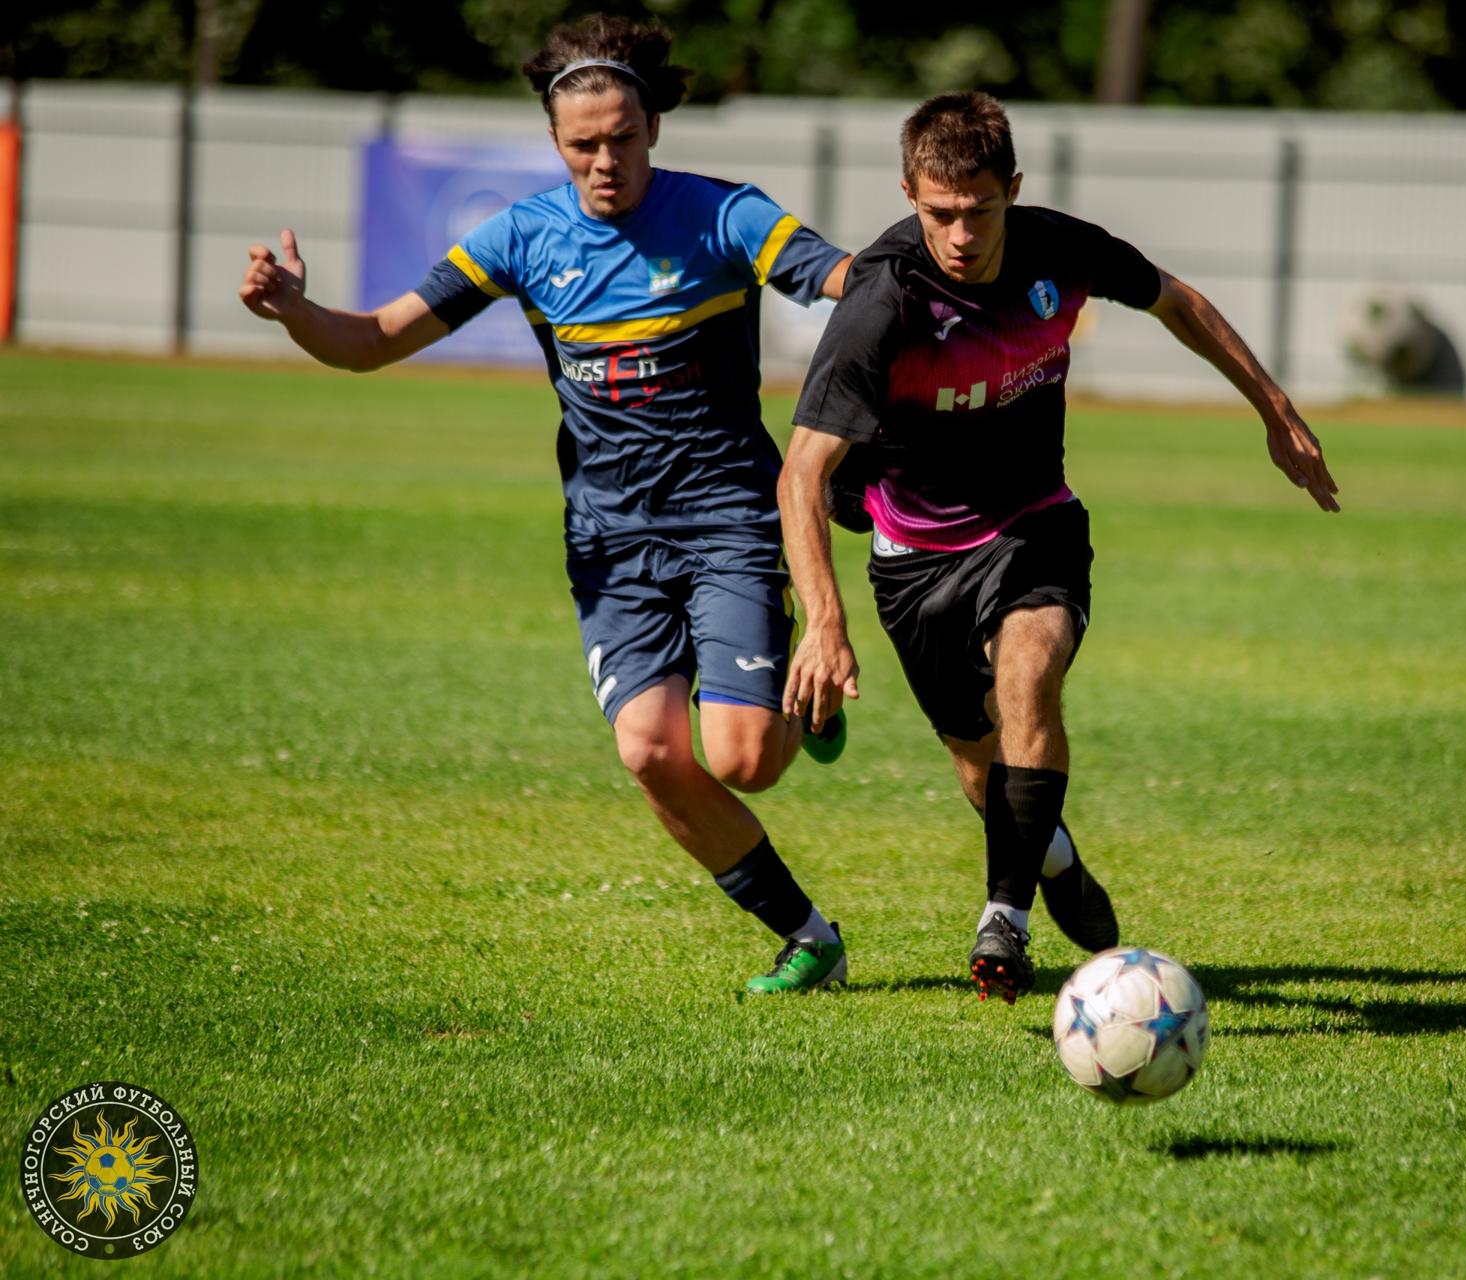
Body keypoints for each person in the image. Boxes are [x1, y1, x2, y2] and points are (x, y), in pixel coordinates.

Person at [238, 15, 856, 995]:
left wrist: (903, 284)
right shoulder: (524, 237)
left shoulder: (723, 216)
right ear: (555, 140)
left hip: (728, 514)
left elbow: (839, 279)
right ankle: (809, 937)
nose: (603, 160)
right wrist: (298, 310)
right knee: (649, 749)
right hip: (609, 538)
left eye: (620, 137)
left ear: (652, 123)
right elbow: (376, 339)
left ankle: (796, 699)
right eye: (582, 144)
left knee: (743, 758)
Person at [778, 91, 1339, 1005]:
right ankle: (1055, 858)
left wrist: (1276, 413)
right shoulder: (882, 304)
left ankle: (1005, 918)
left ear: (1015, 190)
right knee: (978, 764)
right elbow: (801, 473)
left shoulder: (1060, 249)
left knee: (1029, 674)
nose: (960, 233)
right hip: (913, 556)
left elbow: (1178, 301)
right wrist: (824, 623)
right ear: (911, 194)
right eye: (939, 213)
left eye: (981, 209)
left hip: (1034, 520)